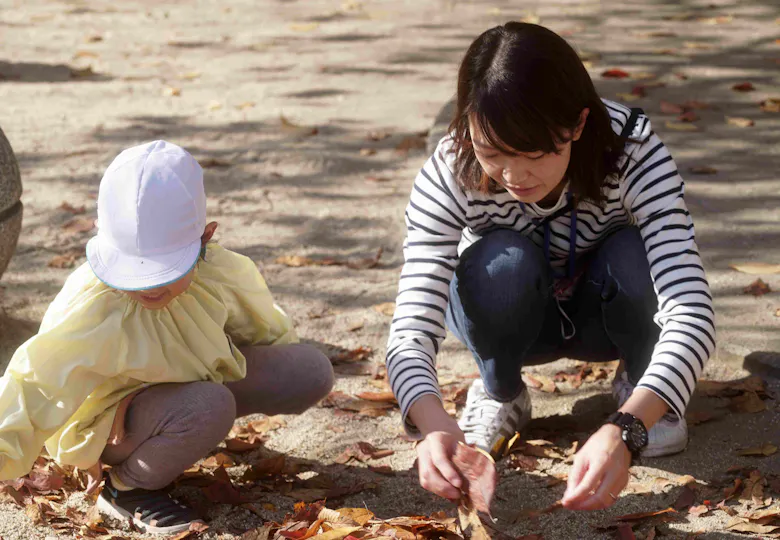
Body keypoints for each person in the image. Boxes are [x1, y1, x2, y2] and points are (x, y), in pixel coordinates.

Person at [386, 22, 714, 512]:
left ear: (578, 125)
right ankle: (501, 391)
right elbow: (412, 321)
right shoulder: (451, 167)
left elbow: (692, 309)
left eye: (535, 153)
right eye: (493, 152)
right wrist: (433, 424)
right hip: (512, 314)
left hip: (606, 313)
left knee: (634, 252)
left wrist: (626, 429)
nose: (514, 177)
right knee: (502, 261)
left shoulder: (633, 151)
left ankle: (645, 391)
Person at [0, 141, 334, 534]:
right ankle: (128, 489)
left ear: (206, 238)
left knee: (310, 370)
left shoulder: (219, 273)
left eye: (164, 272)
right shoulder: (95, 302)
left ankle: (183, 433)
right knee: (209, 405)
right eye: (132, 273)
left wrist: (275, 366)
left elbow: (261, 328)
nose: (147, 287)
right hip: (109, 420)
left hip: (191, 390)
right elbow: (36, 381)